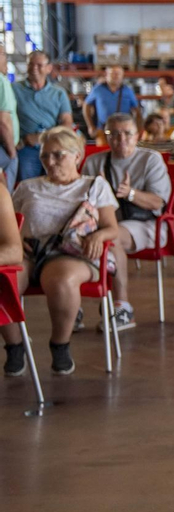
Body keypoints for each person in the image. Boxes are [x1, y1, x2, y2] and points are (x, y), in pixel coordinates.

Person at [7, 127, 122, 374]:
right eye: (45, 156)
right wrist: (16, 238)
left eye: (58, 155)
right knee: (3, 281)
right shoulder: (27, 187)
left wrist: (99, 235)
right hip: (27, 251)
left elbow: (112, 228)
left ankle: (60, 344)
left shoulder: (94, 186)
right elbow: (8, 223)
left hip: (69, 252)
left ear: (77, 156)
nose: (50, 161)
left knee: (61, 280)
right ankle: (15, 346)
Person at [83, 113, 172, 331]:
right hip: (104, 224)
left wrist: (130, 193)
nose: (120, 139)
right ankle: (74, 306)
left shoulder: (150, 159)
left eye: (126, 134)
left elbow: (158, 202)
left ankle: (122, 308)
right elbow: (81, 201)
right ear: (106, 136)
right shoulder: (94, 162)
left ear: (138, 136)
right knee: (75, 239)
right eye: (113, 134)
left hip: (146, 224)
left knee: (110, 239)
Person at [12, 52, 75, 183]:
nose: (34, 68)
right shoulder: (14, 89)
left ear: (49, 68)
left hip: (54, 146)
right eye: (31, 64)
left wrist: (42, 137)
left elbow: (67, 122)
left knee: (58, 182)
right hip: (26, 148)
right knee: (28, 185)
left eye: (39, 65)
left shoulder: (58, 93)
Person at [83, 64, 140, 138]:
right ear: (106, 75)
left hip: (123, 131)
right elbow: (86, 106)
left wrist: (137, 128)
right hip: (102, 130)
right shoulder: (98, 89)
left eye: (118, 74)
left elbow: (137, 111)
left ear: (122, 76)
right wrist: (90, 126)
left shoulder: (128, 91)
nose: (116, 76)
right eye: (113, 73)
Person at [0, 62, 16, 189]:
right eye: (3, 55)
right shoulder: (1, 80)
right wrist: (12, 152)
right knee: (5, 193)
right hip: (4, 147)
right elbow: (3, 121)